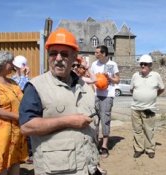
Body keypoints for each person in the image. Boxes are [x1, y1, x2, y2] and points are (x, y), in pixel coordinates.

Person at [19, 28, 103, 175]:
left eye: (64, 54)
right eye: (53, 53)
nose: (58, 58)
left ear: (74, 57)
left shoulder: (85, 87)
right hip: (57, 169)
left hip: (87, 168)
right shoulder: (36, 87)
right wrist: (68, 121)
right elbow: (26, 127)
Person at [0, 51, 28, 175]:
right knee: (2, 166)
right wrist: (20, 116)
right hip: (2, 133)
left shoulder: (13, 83)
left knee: (15, 162)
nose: (13, 65)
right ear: (1, 64)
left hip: (17, 132)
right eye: (10, 62)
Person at [130, 54, 165, 159]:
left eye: (145, 64)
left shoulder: (156, 76)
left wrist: (153, 96)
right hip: (135, 108)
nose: (143, 66)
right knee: (137, 130)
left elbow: (162, 88)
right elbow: (132, 90)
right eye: (141, 64)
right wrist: (139, 97)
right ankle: (139, 149)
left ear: (150, 65)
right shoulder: (135, 75)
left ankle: (150, 149)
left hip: (149, 108)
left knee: (149, 130)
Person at [90, 45, 120, 158]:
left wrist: (110, 79)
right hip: (96, 95)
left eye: (97, 52)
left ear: (104, 54)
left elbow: (117, 80)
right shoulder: (94, 64)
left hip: (108, 96)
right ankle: (95, 144)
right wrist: (94, 91)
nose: (95, 54)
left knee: (105, 120)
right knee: (95, 120)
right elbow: (92, 79)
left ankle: (104, 146)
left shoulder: (112, 65)